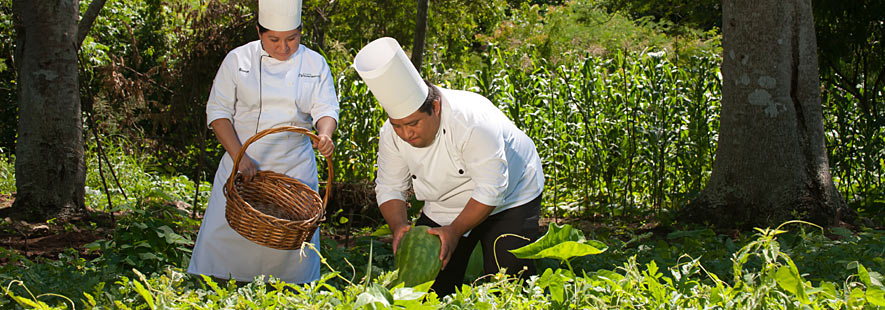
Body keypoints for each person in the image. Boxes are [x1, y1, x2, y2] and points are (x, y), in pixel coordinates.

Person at [353, 37, 545, 296]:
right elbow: (389, 187)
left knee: (508, 282)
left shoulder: (473, 121)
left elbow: (491, 189)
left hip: (511, 196)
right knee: (428, 289)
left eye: (413, 124)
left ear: (435, 106)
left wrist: (454, 232)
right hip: (444, 204)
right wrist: (399, 226)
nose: (406, 134)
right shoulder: (391, 134)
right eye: (398, 125)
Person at [187, 0, 339, 285]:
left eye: (292, 38)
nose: (284, 47)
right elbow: (218, 114)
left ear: (301, 32)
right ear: (259, 32)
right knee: (226, 241)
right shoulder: (237, 60)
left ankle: (292, 292)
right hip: (241, 162)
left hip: (294, 172)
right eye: (274, 40)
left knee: (289, 252)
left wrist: (325, 134)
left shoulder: (315, 63)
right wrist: (238, 157)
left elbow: (326, 108)